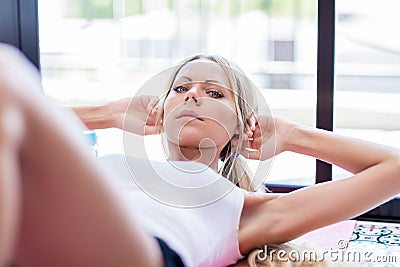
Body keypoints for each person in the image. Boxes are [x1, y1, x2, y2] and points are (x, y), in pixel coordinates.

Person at [1, 43, 399, 267]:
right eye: (181, 88)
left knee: (7, 74)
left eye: (214, 93)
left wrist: (293, 135)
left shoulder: (243, 209)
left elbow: (393, 168)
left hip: (141, 254)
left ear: (240, 126)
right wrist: (103, 115)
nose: (192, 94)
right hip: (48, 240)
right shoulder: (106, 164)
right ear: (162, 108)